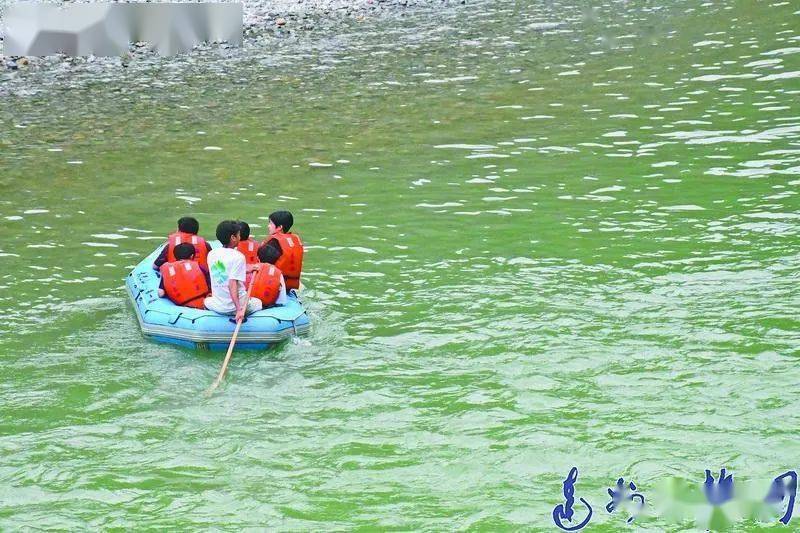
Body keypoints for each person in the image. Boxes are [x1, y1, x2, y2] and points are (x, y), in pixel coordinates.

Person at [204, 220, 262, 321]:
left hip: (219, 306)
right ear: (233, 237)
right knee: (258, 302)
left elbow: (225, 272)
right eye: (239, 234)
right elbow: (232, 283)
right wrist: (239, 310)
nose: (240, 237)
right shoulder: (238, 256)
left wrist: (247, 269)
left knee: (207, 301)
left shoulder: (212, 254)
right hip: (234, 307)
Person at [157, 242, 210, 309]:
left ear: (175, 256)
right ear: (192, 256)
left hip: (182, 307)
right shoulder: (199, 267)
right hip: (204, 304)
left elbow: (161, 293)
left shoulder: (167, 270)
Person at [260, 210, 303, 291]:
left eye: (270, 223)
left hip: (274, 286)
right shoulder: (295, 240)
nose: (268, 226)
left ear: (280, 227)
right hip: (290, 285)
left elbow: (262, 264)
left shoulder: (273, 243)